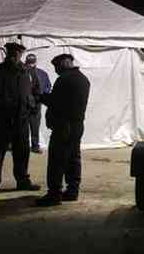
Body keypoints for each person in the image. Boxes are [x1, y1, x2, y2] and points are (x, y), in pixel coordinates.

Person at [0, 42, 42, 201]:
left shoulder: (28, 72)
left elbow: (37, 91)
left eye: (17, 53)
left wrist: (32, 107)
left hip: (21, 120)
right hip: (1, 120)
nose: (14, 56)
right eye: (12, 53)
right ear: (7, 53)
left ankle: (22, 180)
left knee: (22, 152)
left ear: (21, 55)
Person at [35, 54, 91, 206]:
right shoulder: (82, 78)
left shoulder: (65, 79)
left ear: (66, 62)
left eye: (57, 66)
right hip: (77, 124)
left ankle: (54, 194)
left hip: (64, 125)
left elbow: (56, 102)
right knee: (73, 158)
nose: (56, 70)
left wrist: (40, 97)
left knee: (57, 160)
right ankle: (73, 190)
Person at [24, 53, 52, 154]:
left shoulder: (42, 73)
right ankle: (22, 146)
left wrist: (42, 97)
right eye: (29, 62)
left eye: (32, 62)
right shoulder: (21, 73)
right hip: (24, 104)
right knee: (22, 127)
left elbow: (48, 86)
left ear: (35, 62)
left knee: (35, 126)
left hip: (36, 104)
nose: (31, 65)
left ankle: (35, 146)